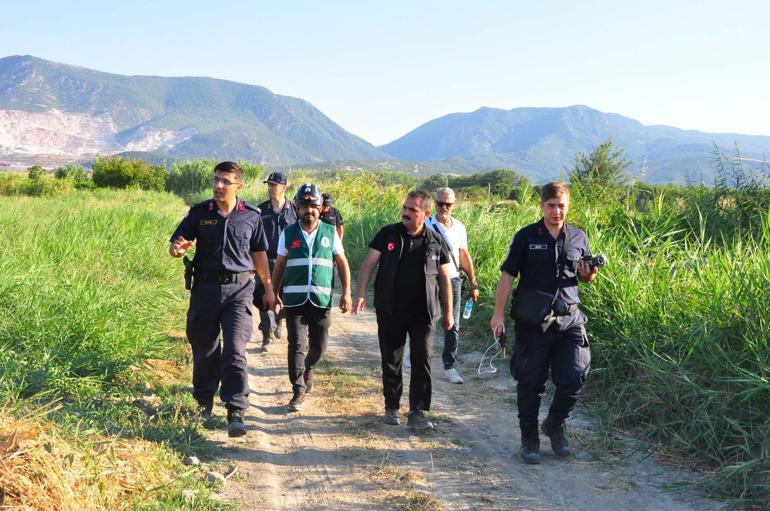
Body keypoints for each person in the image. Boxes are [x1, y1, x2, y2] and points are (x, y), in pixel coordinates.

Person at [490, 181, 599, 464]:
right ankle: (530, 438)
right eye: (551, 205)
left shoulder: (578, 237)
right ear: (542, 206)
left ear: (568, 206)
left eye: (561, 205)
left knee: (575, 375)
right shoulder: (526, 236)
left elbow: (585, 277)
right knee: (530, 380)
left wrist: (589, 273)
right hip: (534, 321)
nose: (557, 211)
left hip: (570, 319)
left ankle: (554, 424)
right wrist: (498, 313)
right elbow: (507, 276)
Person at [169, 161, 276, 438]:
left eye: (225, 181)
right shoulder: (198, 213)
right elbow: (177, 244)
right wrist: (177, 250)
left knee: (235, 349)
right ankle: (203, 403)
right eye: (216, 180)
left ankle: (236, 410)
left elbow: (259, 255)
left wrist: (268, 288)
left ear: (238, 185)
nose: (218, 186)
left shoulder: (251, 216)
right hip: (205, 290)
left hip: (239, 291)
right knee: (204, 349)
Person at [353, 190, 453, 431]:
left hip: (424, 314)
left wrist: (449, 313)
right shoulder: (389, 233)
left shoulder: (435, 241)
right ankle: (392, 406)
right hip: (391, 310)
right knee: (391, 359)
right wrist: (359, 294)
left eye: (413, 210)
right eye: (405, 208)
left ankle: (417, 411)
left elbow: (445, 279)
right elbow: (368, 264)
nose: (406, 213)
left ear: (426, 214)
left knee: (422, 360)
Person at [271, 184, 352, 411]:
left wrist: (346, 293)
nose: (309, 210)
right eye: (304, 206)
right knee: (296, 344)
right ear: (297, 208)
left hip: (321, 298)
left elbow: (343, 263)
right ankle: (298, 390)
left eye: (313, 206)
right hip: (294, 299)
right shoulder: (288, 233)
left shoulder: (329, 232)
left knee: (319, 346)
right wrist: (274, 294)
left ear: (321, 209)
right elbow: (279, 266)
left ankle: (308, 367)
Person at [425, 187, 480, 384]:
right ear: (434, 202)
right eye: (440, 203)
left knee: (453, 322)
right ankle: (417, 354)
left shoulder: (459, 227)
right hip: (430, 279)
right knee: (425, 319)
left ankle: (450, 366)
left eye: (448, 204)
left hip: (454, 279)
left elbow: (464, 255)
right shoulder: (426, 224)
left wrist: (474, 282)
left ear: (453, 205)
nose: (443, 207)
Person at [255, 171, 297, 350]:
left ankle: (279, 319)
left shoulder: (294, 210)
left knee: (286, 298)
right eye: (269, 185)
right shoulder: (260, 210)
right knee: (264, 296)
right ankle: (267, 336)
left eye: (274, 185)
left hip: (289, 263)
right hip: (266, 260)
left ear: (284, 187)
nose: (271, 188)